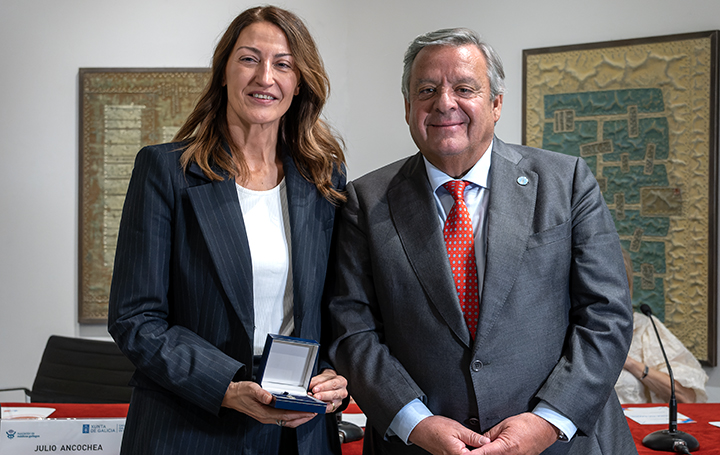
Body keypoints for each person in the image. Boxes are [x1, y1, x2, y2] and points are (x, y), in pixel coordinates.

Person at [327, 28, 636, 455]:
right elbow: (352, 328)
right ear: (407, 107)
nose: (445, 103)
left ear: (496, 104)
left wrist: (548, 421)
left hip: (561, 444)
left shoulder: (566, 183)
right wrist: (415, 422)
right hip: (419, 445)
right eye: (427, 89)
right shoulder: (367, 200)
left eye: (464, 88)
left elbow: (606, 316)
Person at [108, 6, 348, 455]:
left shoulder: (324, 179)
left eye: (283, 64)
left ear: (299, 83)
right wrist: (225, 387)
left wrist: (336, 376)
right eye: (249, 59)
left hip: (299, 430)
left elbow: (337, 307)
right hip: (189, 424)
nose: (265, 77)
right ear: (223, 72)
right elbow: (134, 318)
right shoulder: (166, 171)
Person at [615, 249, 708, 404]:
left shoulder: (643, 328)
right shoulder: (568, 330)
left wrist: (630, 364)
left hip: (635, 427)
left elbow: (687, 397)